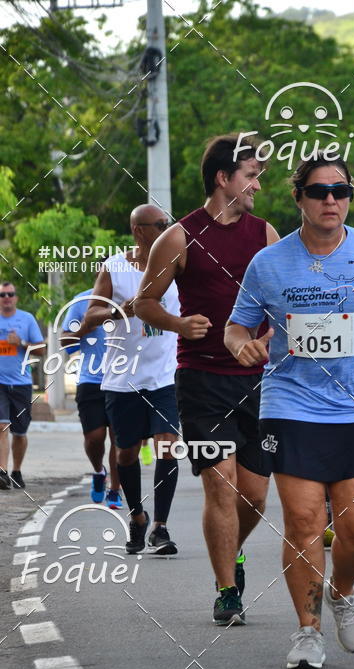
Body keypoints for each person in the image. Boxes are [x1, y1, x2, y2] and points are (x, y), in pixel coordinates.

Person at [225, 155, 354, 669]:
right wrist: (240, 346)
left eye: (340, 191)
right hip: (291, 403)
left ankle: (342, 591)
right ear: (299, 200)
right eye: (319, 192)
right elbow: (237, 326)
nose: (331, 200)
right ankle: (307, 630)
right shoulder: (268, 263)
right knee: (304, 519)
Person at [135, 134, 279, 624]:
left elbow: (283, 304)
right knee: (221, 484)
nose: (258, 184)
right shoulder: (177, 236)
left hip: (257, 380)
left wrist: (273, 339)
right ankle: (226, 591)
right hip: (200, 379)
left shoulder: (265, 234)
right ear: (224, 178)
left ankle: (230, 550)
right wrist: (177, 323)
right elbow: (144, 302)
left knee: (255, 496)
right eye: (251, 175)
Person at [85, 206, 180, 555]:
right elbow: (91, 313)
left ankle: (161, 527)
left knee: (167, 446)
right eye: (161, 226)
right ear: (139, 232)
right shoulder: (115, 267)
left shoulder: (176, 265)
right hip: (123, 379)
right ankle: (138, 515)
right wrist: (117, 310)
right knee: (125, 454)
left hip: (165, 377)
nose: (168, 231)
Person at [60, 288, 121, 508]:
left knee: (119, 440)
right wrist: (86, 327)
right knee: (94, 438)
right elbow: (65, 342)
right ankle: (98, 471)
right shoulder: (82, 301)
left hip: (123, 380)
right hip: (90, 380)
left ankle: (115, 490)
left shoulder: (132, 298)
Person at [0, 281, 44, 489]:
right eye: (2, 295)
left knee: (19, 432)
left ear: (16, 297)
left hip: (21, 383)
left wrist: (22, 344)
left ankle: (16, 470)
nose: (6, 298)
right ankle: (2, 472)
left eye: (10, 294)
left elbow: (41, 350)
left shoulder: (26, 319)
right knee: (1, 426)